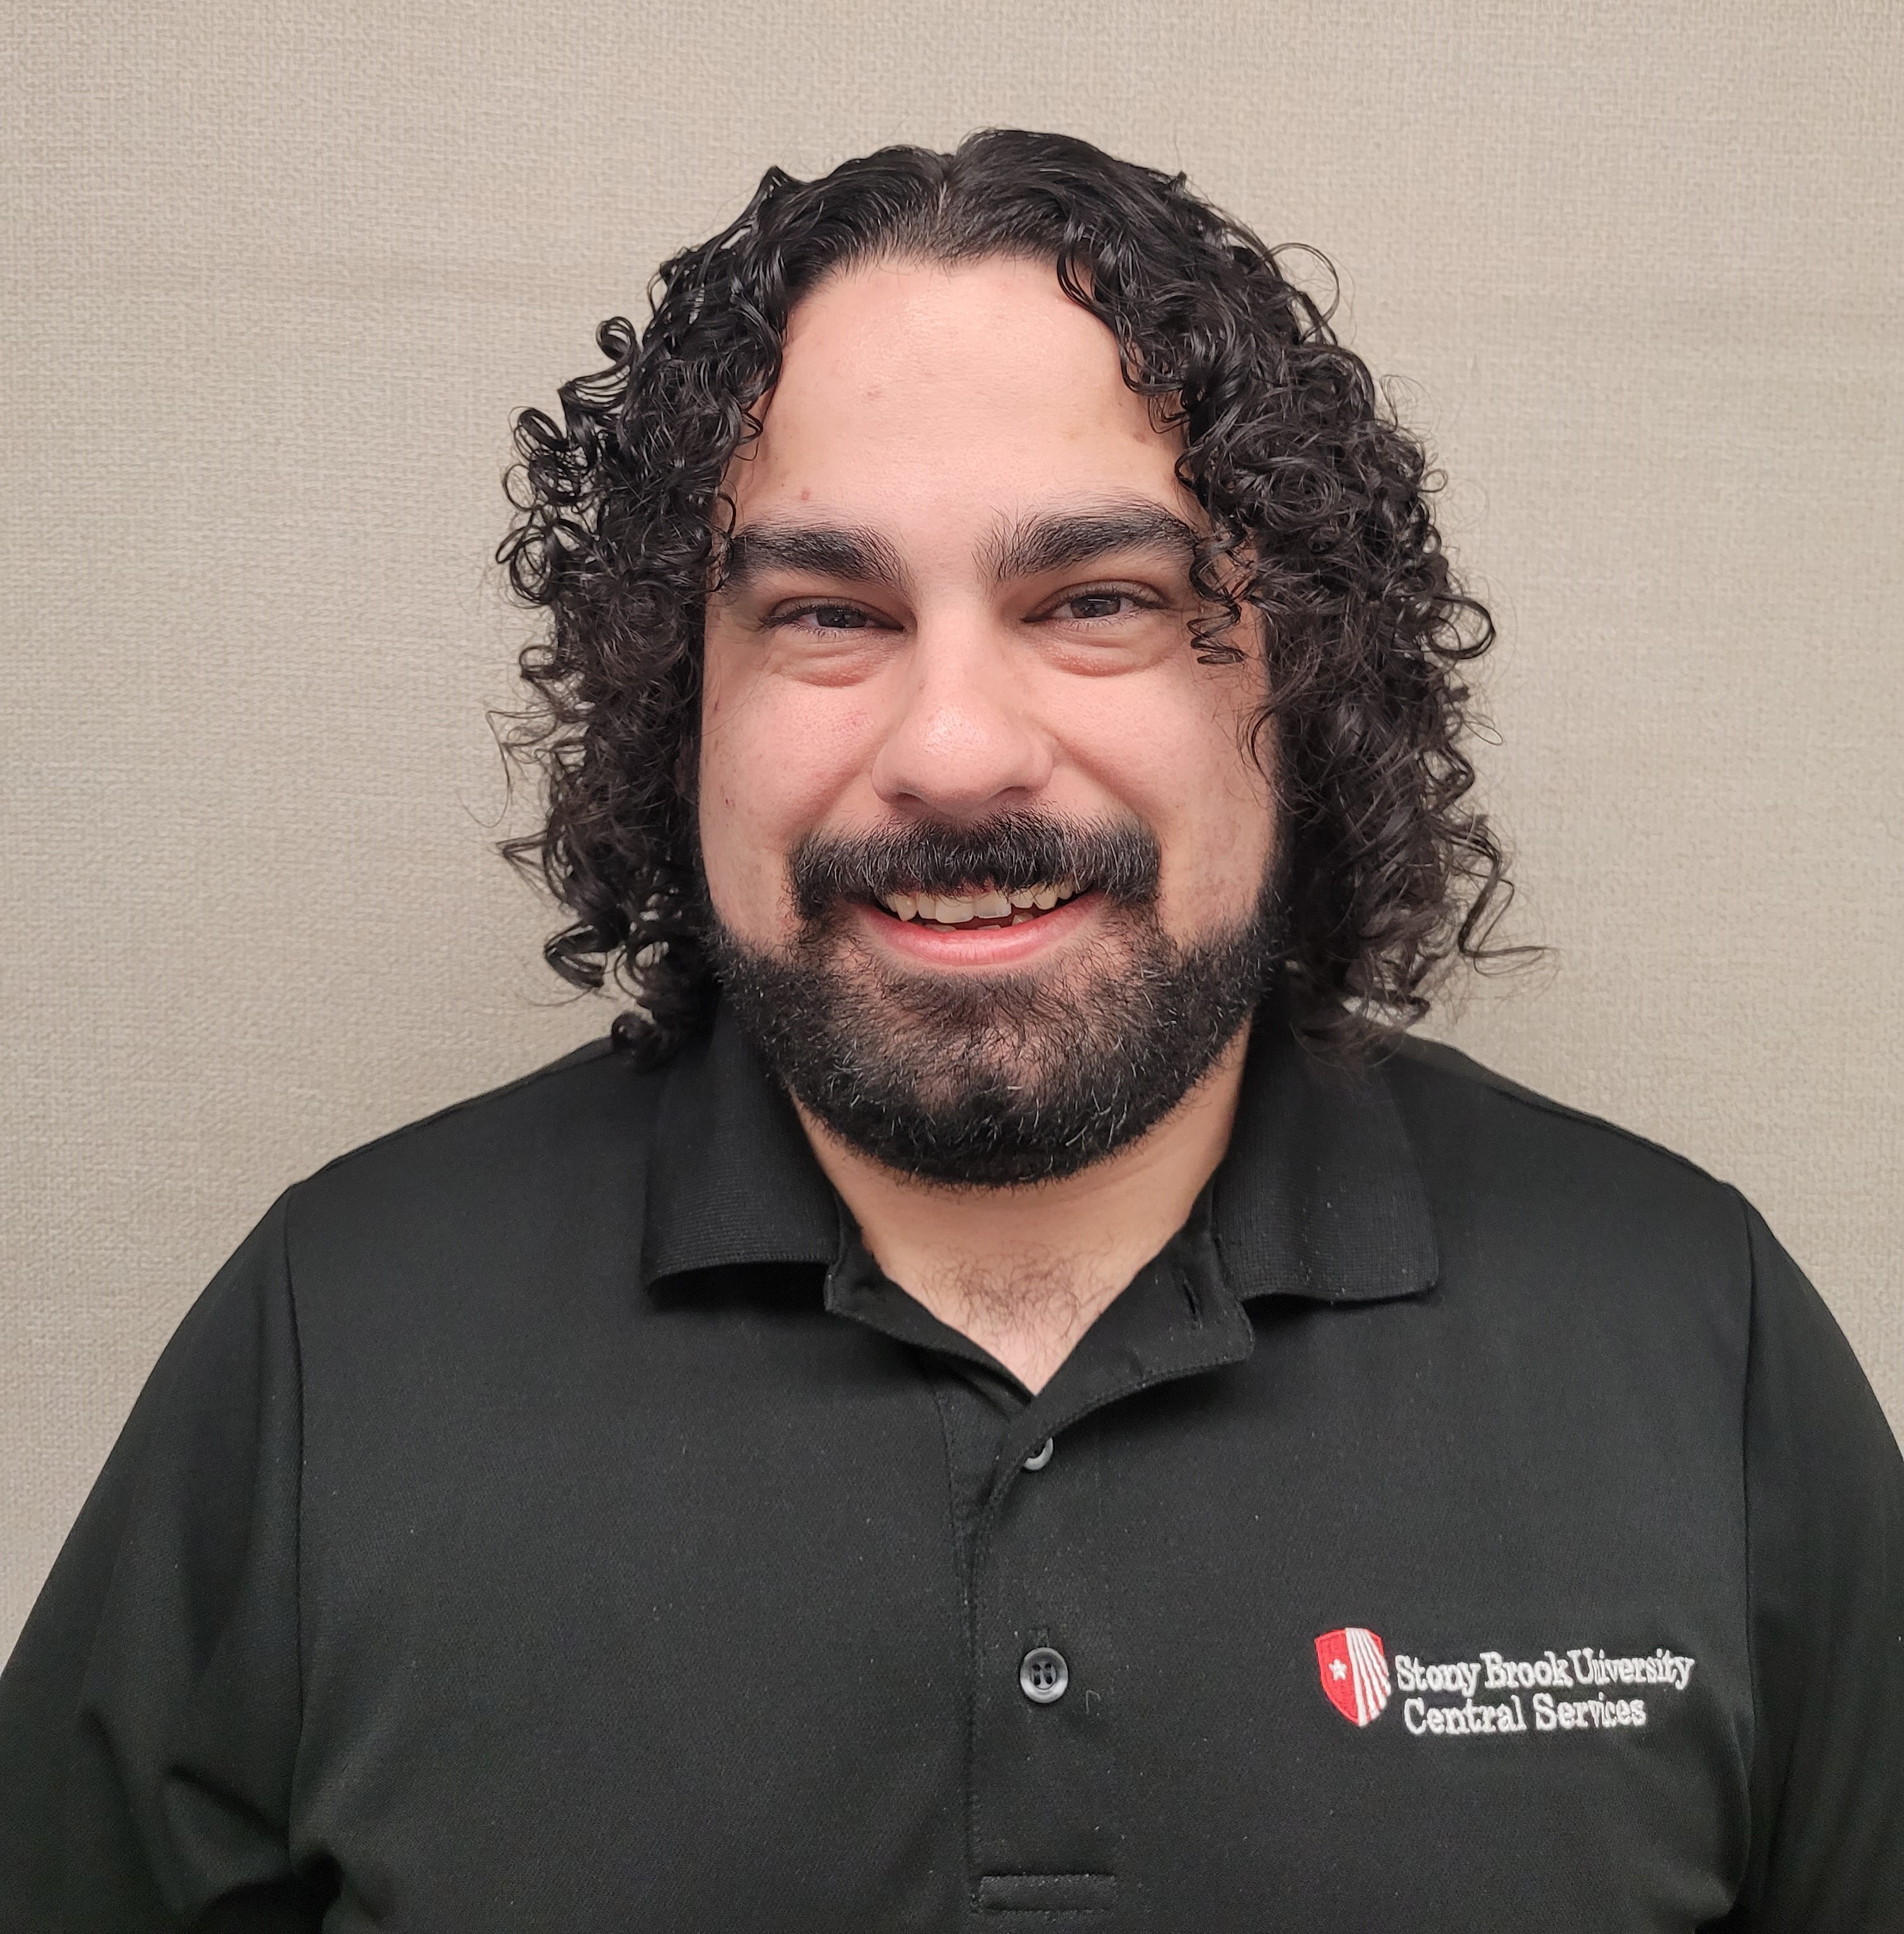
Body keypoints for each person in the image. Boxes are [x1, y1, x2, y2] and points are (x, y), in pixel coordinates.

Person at [3, 129, 1899, 1933]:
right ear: (682, 703)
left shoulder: (1690, 1331)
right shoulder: (341, 1337)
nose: (954, 749)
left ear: (1308, 687)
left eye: (1096, 601)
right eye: (829, 616)